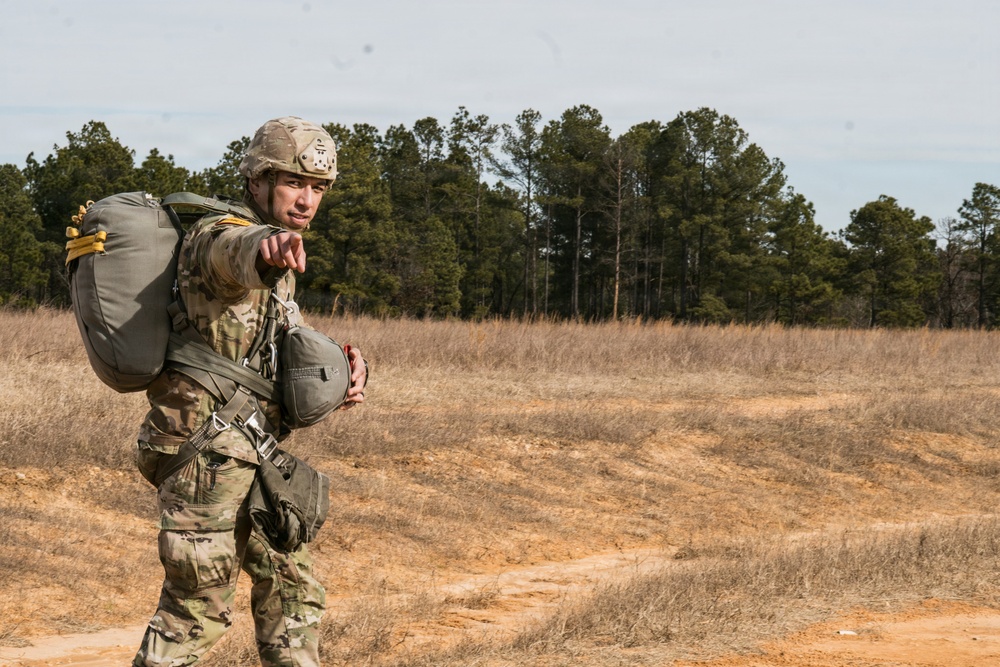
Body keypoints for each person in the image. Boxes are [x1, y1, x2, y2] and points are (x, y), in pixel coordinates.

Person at [132, 116, 367, 667]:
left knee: (294, 593)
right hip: (204, 462)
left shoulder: (282, 272)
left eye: (318, 188)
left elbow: (270, 362)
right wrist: (268, 245)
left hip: (253, 452)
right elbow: (233, 251)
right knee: (195, 613)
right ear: (257, 181)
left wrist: (340, 379)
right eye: (293, 182)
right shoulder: (216, 236)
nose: (307, 199)